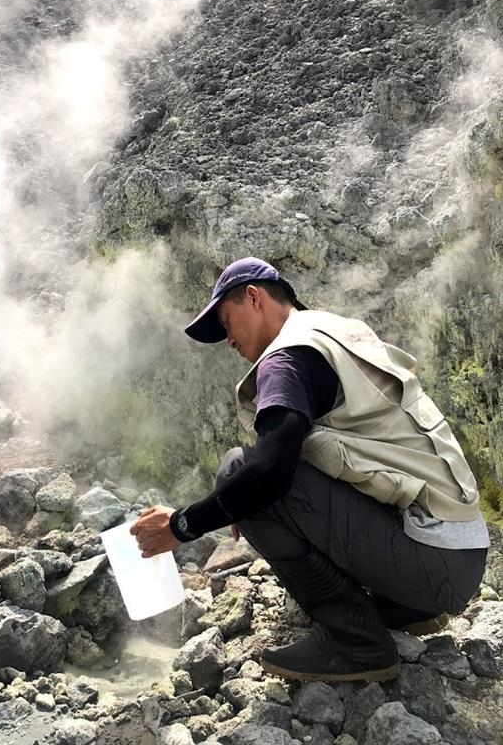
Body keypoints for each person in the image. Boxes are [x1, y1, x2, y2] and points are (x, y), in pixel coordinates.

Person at [129, 257, 489, 682]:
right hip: (461, 550)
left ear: (254, 297)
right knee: (248, 484)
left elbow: (267, 473)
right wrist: (245, 503)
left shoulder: (287, 359)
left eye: (228, 323)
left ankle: (358, 644)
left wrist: (182, 525)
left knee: (236, 470)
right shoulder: (333, 331)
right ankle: (404, 612)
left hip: (434, 561)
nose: (229, 341)